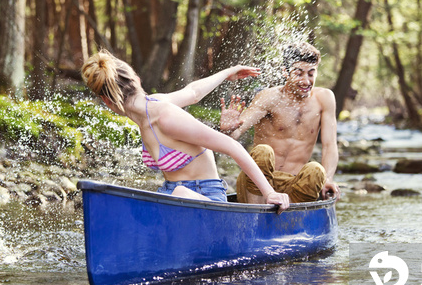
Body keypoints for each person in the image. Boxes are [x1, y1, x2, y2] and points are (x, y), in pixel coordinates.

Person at [81, 50, 290, 213]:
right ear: (136, 78)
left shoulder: (164, 116)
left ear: (106, 102)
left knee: (178, 193)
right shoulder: (150, 109)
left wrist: (269, 193)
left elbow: (232, 146)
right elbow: (193, 93)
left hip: (205, 199)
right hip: (172, 195)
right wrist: (228, 73)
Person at [219, 41, 341, 203]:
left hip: (295, 185)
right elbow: (235, 134)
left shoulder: (324, 99)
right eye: (298, 74)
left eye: (311, 74)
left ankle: (290, 214)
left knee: (317, 170)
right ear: (285, 72)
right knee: (263, 151)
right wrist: (227, 129)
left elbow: (330, 145)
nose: (306, 81)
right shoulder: (270, 98)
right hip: (258, 183)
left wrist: (328, 180)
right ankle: (257, 214)